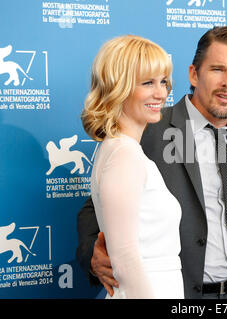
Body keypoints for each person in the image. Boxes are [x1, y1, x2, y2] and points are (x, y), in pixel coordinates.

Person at [76, 26, 227, 299]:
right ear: (194, 74)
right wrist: (94, 252)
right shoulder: (147, 128)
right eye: (218, 69)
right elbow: (98, 205)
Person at [80, 35, 184, 298]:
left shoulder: (122, 150)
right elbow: (125, 257)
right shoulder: (124, 154)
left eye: (163, 81)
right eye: (148, 83)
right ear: (119, 86)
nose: (161, 92)